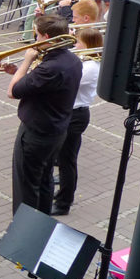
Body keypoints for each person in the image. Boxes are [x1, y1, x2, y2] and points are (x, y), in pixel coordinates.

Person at [0, 15, 81, 247]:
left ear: (47, 38)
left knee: (25, 184)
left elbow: (12, 93)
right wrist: (20, 72)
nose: (34, 40)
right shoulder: (71, 59)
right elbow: (41, 86)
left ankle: (22, 236)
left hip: (36, 133)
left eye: (37, 35)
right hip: (56, 131)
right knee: (45, 180)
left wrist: (25, 62)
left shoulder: (49, 66)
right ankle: (41, 228)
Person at [52, 27, 103, 216]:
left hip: (75, 115)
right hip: (70, 113)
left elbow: (64, 81)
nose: (75, 45)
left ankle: (64, 203)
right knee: (62, 158)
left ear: (88, 45)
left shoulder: (90, 67)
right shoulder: (85, 61)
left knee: (67, 161)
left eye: (79, 42)